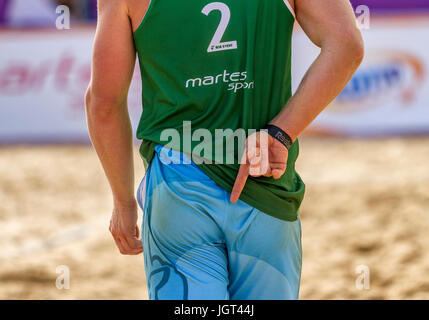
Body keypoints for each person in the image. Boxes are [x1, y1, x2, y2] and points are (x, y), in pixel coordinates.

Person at [85, 0, 364, 300]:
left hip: (179, 181)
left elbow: (103, 105)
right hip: (263, 177)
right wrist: (281, 132)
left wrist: (124, 203)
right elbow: (347, 46)